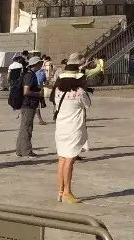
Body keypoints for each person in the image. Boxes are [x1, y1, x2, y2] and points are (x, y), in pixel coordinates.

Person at [52, 58, 102, 202]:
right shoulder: (80, 92)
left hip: (61, 127)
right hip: (73, 127)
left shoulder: (58, 91)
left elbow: (55, 103)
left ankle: (60, 191)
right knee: (69, 160)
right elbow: (88, 104)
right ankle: (67, 191)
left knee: (62, 159)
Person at [15, 57, 42, 157]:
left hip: (28, 104)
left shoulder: (29, 74)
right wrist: (38, 94)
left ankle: (20, 150)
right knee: (27, 128)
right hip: (28, 104)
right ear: (35, 64)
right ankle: (26, 151)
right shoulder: (29, 75)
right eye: (40, 63)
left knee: (24, 128)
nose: (41, 65)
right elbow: (26, 91)